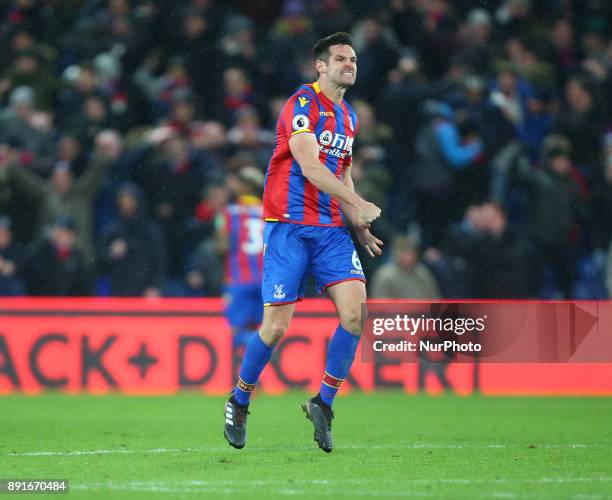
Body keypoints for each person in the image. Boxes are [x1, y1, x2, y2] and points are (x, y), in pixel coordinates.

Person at [223, 32, 383, 453]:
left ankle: (323, 404)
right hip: (289, 225)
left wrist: (357, 222)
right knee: (275, 327)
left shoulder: (349, 118)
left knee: (355, 315)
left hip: (330, 229)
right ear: (321, 66)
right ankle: (240, 399)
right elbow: (311, 166)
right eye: (341, 58)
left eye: (353, 58)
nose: (350, 64)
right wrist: (360, 203)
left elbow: (341, 171)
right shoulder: (302, 106)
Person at [215, 166, 265, 349]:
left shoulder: (227, 214)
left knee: (236, 332)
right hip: (265, 280)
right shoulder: (269, 212)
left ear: (243, 186)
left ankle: (248, 349)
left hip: (239, 279)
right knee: (261, 328)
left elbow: (222, 246)